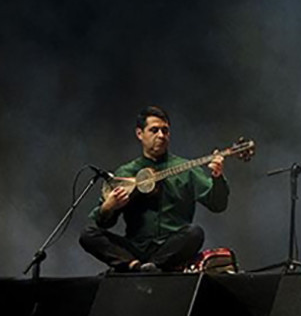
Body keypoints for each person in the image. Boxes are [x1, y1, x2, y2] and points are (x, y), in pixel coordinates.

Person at [79, 106, 228, 272]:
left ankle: (151, 267)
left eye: (165, 131)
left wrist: (217, 177)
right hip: (135, 248)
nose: (161, 135)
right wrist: (109, 206)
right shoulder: (126, 173)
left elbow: (217, 204)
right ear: (140, 134)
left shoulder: (187, 169)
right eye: (154, 130)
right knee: (88, 234)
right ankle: (135, 266)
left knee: (195, 233)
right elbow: (103, 223)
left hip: (171, 248)